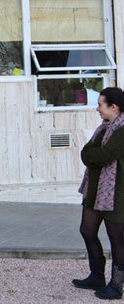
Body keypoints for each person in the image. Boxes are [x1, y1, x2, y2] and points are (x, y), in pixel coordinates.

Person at [74, 87, 124, 299]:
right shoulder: (104, 128)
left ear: (114, 107)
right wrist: (92, 156)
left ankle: (116, 285)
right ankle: (96, 275)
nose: (97, 109)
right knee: (87, 230)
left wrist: (93, 156)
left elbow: (104, 155)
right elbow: (86, 152)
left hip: (116, 194)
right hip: (95, 190)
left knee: (117, 238)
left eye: (100, 104)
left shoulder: (121, 130)